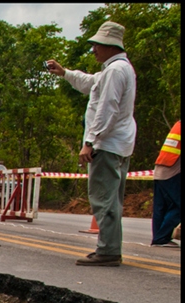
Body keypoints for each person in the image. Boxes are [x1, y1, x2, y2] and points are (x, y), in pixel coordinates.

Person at [47, 21, 136, 266]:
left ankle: (108, 251)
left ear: (110, 45)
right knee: (111, 199)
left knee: (104, 198)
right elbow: (90, 83)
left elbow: (107, 109)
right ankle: (109, 247)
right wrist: (65, 73)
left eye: (97, 45)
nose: (94, 49)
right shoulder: (114, 69)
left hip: (107, 145)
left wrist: (90, 141)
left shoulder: (116, 71)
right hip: (118, 143)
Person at [151, 120, 181, 247]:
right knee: (178, 207)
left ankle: (158, 239)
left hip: (160, 171)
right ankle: (161, 237)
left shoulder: (178, 124)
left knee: (160, 207)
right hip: (172, 172)